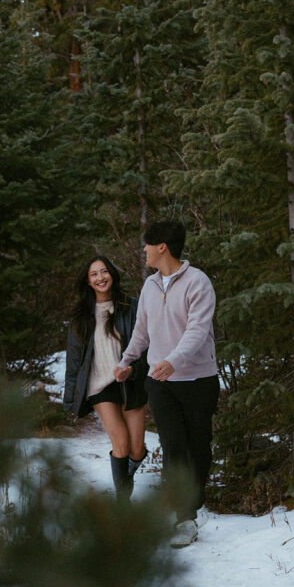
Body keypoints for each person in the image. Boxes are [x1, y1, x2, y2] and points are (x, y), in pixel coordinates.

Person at [113, 220, 219, 547]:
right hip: (159, 382)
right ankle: (183, 518)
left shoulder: (198, 283)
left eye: (148, 244)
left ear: (163, 247)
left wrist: (173, 360)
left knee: (197, 447)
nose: (143, 249)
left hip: (197, 379)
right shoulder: (149, 286)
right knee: (173, 446)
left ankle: (191, 505)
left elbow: (197, 331)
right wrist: (127, 360)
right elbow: (141, 332)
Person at [64, 255, 148, 500]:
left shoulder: (131, 306)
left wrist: (133, 370)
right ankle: (123, 503)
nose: (100, 277)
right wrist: (70, 400)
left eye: (104, 272)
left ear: (112, 274)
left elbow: (146, 346)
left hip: (130, 381)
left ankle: (125, 478)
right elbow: (74, 363)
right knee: (120, 443)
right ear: (88, 282)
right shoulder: (81, 318)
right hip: (100, 386)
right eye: (94, 274)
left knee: (136, 449)